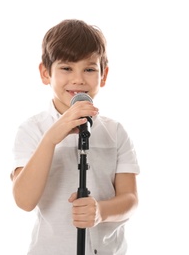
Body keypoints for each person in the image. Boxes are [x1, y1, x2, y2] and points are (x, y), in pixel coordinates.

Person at [11, 19, 140, 255]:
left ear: (104, 75)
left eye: (89, 69)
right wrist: (50, 139)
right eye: (66, 68)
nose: (78, 79)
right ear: (45, 73)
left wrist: (101, 211)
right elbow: (24, 200)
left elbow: (130, 198)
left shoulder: (116, 132)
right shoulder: (32, 129)